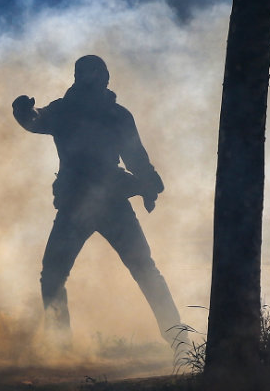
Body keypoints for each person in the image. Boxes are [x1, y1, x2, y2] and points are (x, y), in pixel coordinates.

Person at [12, 55, 183, 350]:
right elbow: (35, 121)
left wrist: (149, 183)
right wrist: (22, 112)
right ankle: (60, 346)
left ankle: (179, 340)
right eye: (87, 74)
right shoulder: (71, 111)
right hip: (83, 204)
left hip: (103, 203)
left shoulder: (110, 115)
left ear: (103, 77)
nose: (92, 80)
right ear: (81, 77)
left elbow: (136, 157)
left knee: (141, 268)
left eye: (96, 74)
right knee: (59, 273)